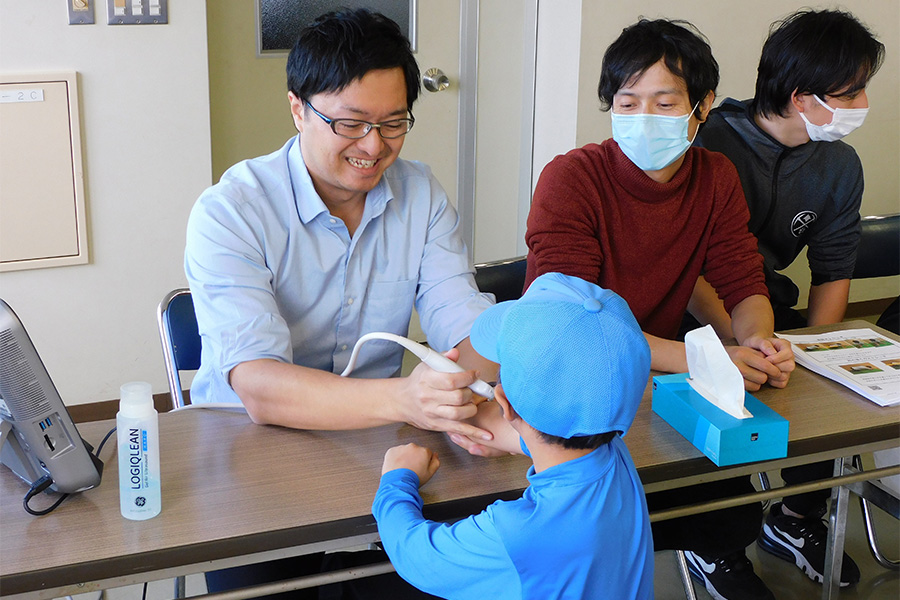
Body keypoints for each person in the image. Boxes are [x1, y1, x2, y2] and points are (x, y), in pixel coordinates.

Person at [184, 9, 495, 598]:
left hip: (377, 444)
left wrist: (467, 385)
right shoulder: (231, 211)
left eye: (394, 123)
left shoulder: (421, 193)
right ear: (298, 108)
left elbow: (468, 325)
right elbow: (258, 384)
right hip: (250, 456)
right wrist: (408, 396)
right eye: (350, 124)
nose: (373, 147)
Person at [515, 18, 794, 600]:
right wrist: (702, 358)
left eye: (665, 102)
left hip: (657, 381)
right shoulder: (572, 178)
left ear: (703, 106)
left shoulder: (715, 176)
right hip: (573, 389)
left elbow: (742, 277)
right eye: (627, 102)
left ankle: (718, 555)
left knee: (723, 477)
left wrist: (758, 340)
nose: (644, 118)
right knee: (594, 530)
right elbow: (572, 328)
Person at [686, 9, 886, 597]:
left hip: (770, 313)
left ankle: (796, 519)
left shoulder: (838, 165)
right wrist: (734, 342)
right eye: (851, 92)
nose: (862, 103)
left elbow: (833, 268)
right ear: (803, 97)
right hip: (693, 314)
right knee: (715, 393)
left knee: (826, 390)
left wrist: (819, 353)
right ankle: (715, 548)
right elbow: (687, 266)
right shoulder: (708, 144)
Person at [373, 272, 654, 600]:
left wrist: (397, 479)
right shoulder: (614, 453)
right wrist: (518, 440)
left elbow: (418, 557)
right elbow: (567, 439)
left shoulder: (519, 534)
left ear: (503, 402)